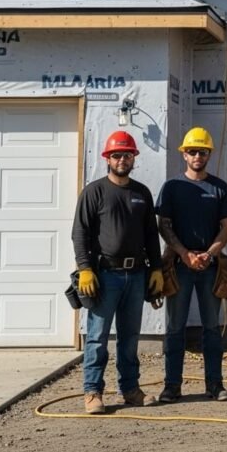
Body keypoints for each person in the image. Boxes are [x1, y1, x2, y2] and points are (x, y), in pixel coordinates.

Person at [71, 130, 163, 415]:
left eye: (127, 155)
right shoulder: (94, 192)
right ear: (107, 159)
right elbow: (80, 234)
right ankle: (93, 392)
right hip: (105, 276)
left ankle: (130, 390)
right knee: (97, 337)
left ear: (134, 158)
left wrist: (156, 269)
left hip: (136, 276)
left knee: (130, 337)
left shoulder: (141, 193)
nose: (122, 159)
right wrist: (85, 269)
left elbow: (150, 235)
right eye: (116, 155)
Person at [156, 127, 227, 403]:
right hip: (179, 266)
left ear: (209, 154)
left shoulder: (219, 188)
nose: (197, 156)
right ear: (184, 155)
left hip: (210, 268)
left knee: (212, 328)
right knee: (175, 328)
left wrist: (210, 254)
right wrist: (185, 254)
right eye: (192, 151)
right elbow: (163, 225)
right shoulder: (173, 187)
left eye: (202, 151)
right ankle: (172, 386)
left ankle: (215, 385)